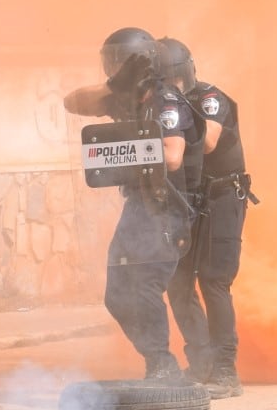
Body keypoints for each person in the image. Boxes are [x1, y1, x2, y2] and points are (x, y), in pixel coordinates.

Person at [64, 28, 195, 380]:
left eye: (121, 61)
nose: (114, 66)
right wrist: (114, 87)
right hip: (138, 207)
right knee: (117, 294)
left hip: (168, 208)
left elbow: (172, 157)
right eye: (112, 61)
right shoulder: (123, 98)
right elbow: (72, 102)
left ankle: (162, 364)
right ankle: (158, 360)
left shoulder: (165, 101)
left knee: (147, 284)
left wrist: (126, 150)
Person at [159, 38, 251, 399]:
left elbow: (209, 142)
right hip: (188, 200)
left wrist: (172, 122)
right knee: (178, 281)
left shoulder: (208, 98)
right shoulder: (158, 106)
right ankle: (201, 363)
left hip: (222, 197)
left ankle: (226, 373)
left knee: (214, 281)